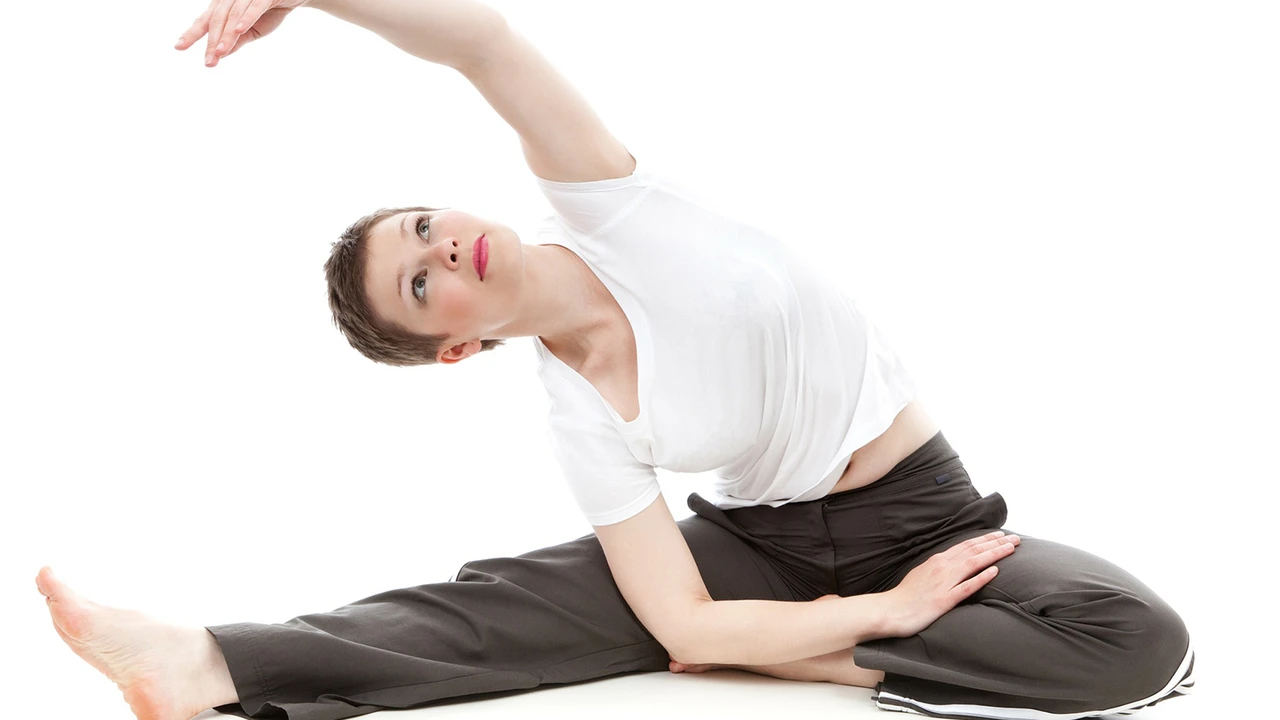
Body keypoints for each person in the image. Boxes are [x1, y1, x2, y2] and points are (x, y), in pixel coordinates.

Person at [36, 1, 1195, 719]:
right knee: (505, 608)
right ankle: (202, 662)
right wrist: (885, 617)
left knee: (1136, 644)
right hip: (766, 545)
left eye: (424, 228)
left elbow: (481, 42)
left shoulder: (609, 202)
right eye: (420, 282)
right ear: (456, 345)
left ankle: (813, 663)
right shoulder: (580, 415)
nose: (441, 248)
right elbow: (691, 631)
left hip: (928, 515)